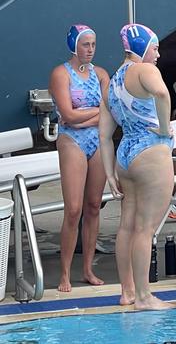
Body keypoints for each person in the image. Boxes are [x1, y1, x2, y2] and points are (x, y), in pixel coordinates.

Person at [99, 23, 174, 310]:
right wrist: (165, 131)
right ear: (142, 47)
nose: (157, 54)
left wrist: (108, 172)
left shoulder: (113, 82)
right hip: (150, 151)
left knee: (127, 227)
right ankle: (144, 297)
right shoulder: (145, 70)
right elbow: (163, 95)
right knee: (145, 228)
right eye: (154, 48)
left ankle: (127, 291)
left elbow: (105, 136)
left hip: (125, 155)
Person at [49, 24, 110, 292]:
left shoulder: (101, 74)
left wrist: (86, 115)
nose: (91, 50)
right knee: (73, 209)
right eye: (86, 45)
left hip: (96, 141)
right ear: (74, 46)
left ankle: (87, 269)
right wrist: (96, 114)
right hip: (71, 141)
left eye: (94, 45)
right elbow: (68, 117)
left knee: (94, 205)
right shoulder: (61, 74)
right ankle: (64, 273)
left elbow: (110, 113)